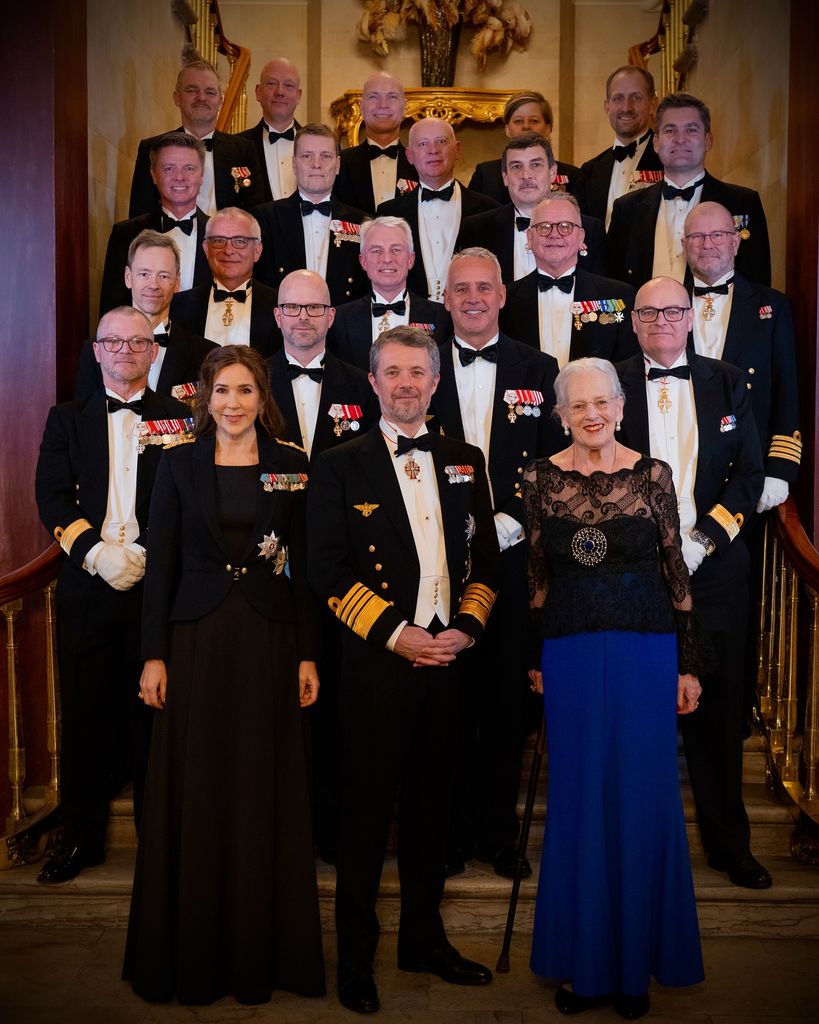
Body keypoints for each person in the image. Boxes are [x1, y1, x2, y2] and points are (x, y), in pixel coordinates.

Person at [123, 345, 324, 1005]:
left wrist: (306, 653)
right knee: (200, 786)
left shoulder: (291, 466)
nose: (232, 404)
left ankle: (261, 958)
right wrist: (153, 654)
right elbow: (163, 565)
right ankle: (194, 955)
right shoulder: (177, 465)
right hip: (197, 643)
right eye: (221, 392)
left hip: (269, 643)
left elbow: (304, 569)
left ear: (260, 398)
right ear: (203, 399)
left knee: (261, 787)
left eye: (244, 391)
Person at [307, 327, 499, 1014]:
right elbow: (324, 570)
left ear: (435, 382)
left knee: (432, 812)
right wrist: (398, 635)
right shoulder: (337, 463)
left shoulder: (463, 459)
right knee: (362, 817)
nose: (406, 384)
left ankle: (423, 937)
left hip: (448, 666)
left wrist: (464, 631)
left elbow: (484, 564)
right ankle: (354, 957)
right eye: (392, 372)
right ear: (373, 383)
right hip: (376, 667)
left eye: (418, 372)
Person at [523, 356, 705, 1018]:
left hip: (645, 650)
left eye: (601, 401)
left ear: (621, 406)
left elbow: (673, 568)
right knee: (578, 804)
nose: (591, 413)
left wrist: (687, 664)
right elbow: (537, 576)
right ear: (560, 414)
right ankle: (583, 968)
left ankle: (633, 970)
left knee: (641, 800)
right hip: (570, 652)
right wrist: (536, 655)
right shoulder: (539, 478)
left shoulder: (652, 476)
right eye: (577, 405)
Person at [617, 276, 769, 890]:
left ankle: (729, 845)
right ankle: (636, 849)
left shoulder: (728, 380)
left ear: (690, 317)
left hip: (714, 573)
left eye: (673, 311)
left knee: (716, 712)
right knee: (637, 716)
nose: (661, 321)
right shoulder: (608, 381)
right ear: (633, 320)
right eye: (649, 312)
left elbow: (749, 475)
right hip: (630, 574)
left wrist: (706, 540)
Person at [34, 307, 190, 883]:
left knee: (156, 720)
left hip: (156, 593)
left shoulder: (179, 419)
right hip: (88, 590)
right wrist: (96, 555)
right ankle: (82, 841)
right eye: (113, 342)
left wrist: (146, 553)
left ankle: (159, 844)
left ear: (153, 352)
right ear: (96, 351)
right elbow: (51, 496)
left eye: (137, 341)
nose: (125, 350)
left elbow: (183, 499)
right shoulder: (65, 419)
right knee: (85, 718)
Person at [428, 248, 561, 878]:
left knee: (506, 702)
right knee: (448, 699)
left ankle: (498, 832)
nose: (474, 298)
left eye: (485, 287)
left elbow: (552, 465)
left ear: (503, 294)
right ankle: (449, 832)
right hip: (436, 557)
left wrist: (510, 520)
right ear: (444, 296)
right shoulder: (418, 363)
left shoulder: (540, 366)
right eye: (462, 289)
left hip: (514, 561)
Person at [607, 93, 771, 289]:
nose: (680, 139)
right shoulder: (626, 208)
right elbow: (614, 284)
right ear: (656, 143)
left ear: (708, 140)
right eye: (670, 130)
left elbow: (757, 285)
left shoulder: (743, 202)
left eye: (691, 130)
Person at [79, 230, 216, 399]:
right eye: (144, 274)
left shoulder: (206, 353)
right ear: (128, 277)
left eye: (164, 276)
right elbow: (85, 417)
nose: (153, 285)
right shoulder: (96, 348)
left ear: (177, 282)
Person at [501, 194, 637, 363]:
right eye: (544, 227)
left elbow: (627, 366)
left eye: (565, 226)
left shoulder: (618, 296)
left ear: (581, 237)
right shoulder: (504, 300)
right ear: (530, 237)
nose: (555, 234)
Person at [377, 117, 499, 301]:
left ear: (457, 149)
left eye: (441, 142)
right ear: (410, 156)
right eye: (423, 144)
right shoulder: (388, 213)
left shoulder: (489, 209)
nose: (433, 150)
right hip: (410, 319)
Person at [457, 133, 607, 281]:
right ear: (505, 177)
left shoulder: (590, 229)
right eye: (516, 166)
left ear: (552, 172)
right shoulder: (476, 229)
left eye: (535, 165)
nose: (526, 175)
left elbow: (603, 290)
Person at [129, 60, 264, 217]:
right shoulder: (152, 148)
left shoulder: (243, 150)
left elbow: (254, 212)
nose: (201, 98)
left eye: (210, 92)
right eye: (192, 90)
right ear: (177, 97)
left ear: (220, 101)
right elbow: (140, 214)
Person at [254, 123, 370, 304]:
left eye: (326, 156)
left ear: (338, 165)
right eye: (307, 156)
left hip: (343, 325)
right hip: (283, 326)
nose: (317, 164)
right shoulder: (265, 219)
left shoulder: (362, 222)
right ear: (294, 164)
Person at [99, 133, 211, 314]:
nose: (179, 177)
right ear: (154, 175)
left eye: (189, 168)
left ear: (202, 176)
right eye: (169, 169)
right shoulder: (125, 234)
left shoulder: (220, 236)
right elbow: (112, 306)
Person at [327, 216, 452, 370]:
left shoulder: (441, 318)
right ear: (363, 261)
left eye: (396, 250)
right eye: (377, 251)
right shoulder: (339, 321)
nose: (387, 259)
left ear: (411, 259)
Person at [169, 207, 282, 354]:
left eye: (240, 241)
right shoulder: (178, 306)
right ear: (206, 249)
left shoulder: (280, 306)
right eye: (218, 240)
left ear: (257, 250)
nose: (228, 251)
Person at [572, 66, 663, 227]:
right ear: (607, 106)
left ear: (652, 104)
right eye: (618, 98)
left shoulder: (667, 162)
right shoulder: (589, 172)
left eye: (636, 97)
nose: (626, 107)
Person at [468, 91, 579, 203]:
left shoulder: (573, 175)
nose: (526, 126)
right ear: (507, 129)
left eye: (534, 121)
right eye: (518, 121)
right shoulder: (486, 174)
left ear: (548, 128)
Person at [334, 72, 418, 214]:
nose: (383, 105)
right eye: (373, 96)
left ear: (405, 107)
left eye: (392, 97)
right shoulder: (339, 164)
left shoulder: (420, 164)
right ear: (361, 107)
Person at [236, 57, 303, 203]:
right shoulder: (236, 147)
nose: (280, 92)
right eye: (272, 84)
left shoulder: (319, 146)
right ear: (258, 92)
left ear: (299, 96)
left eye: (289, 85)